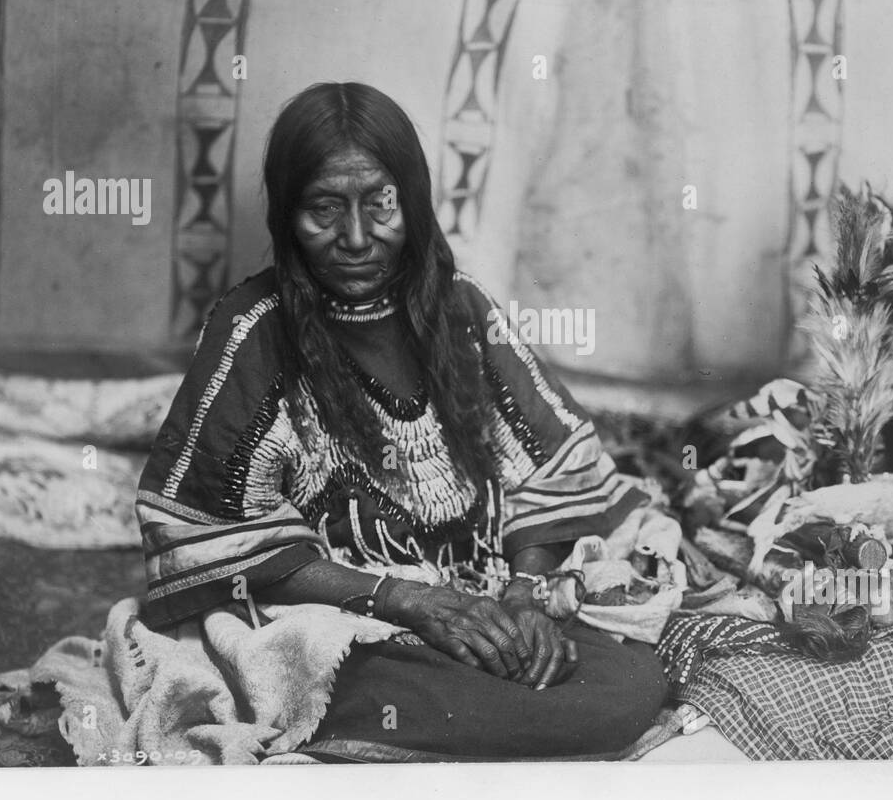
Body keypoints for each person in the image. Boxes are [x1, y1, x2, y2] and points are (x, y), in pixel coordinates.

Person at [136, 81, 668, 760]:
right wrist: (404, 600)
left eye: (380, 203)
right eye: (323, 208)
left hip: (477, 594)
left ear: (410, 201)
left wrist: (528, 596)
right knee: (329, 673)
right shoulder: (255, 332)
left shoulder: (461, 311)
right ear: (288, 214)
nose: (355, 238)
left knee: (623, 682)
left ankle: (473, 709)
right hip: (349, 622)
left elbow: (551, 474)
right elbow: (211, 534)